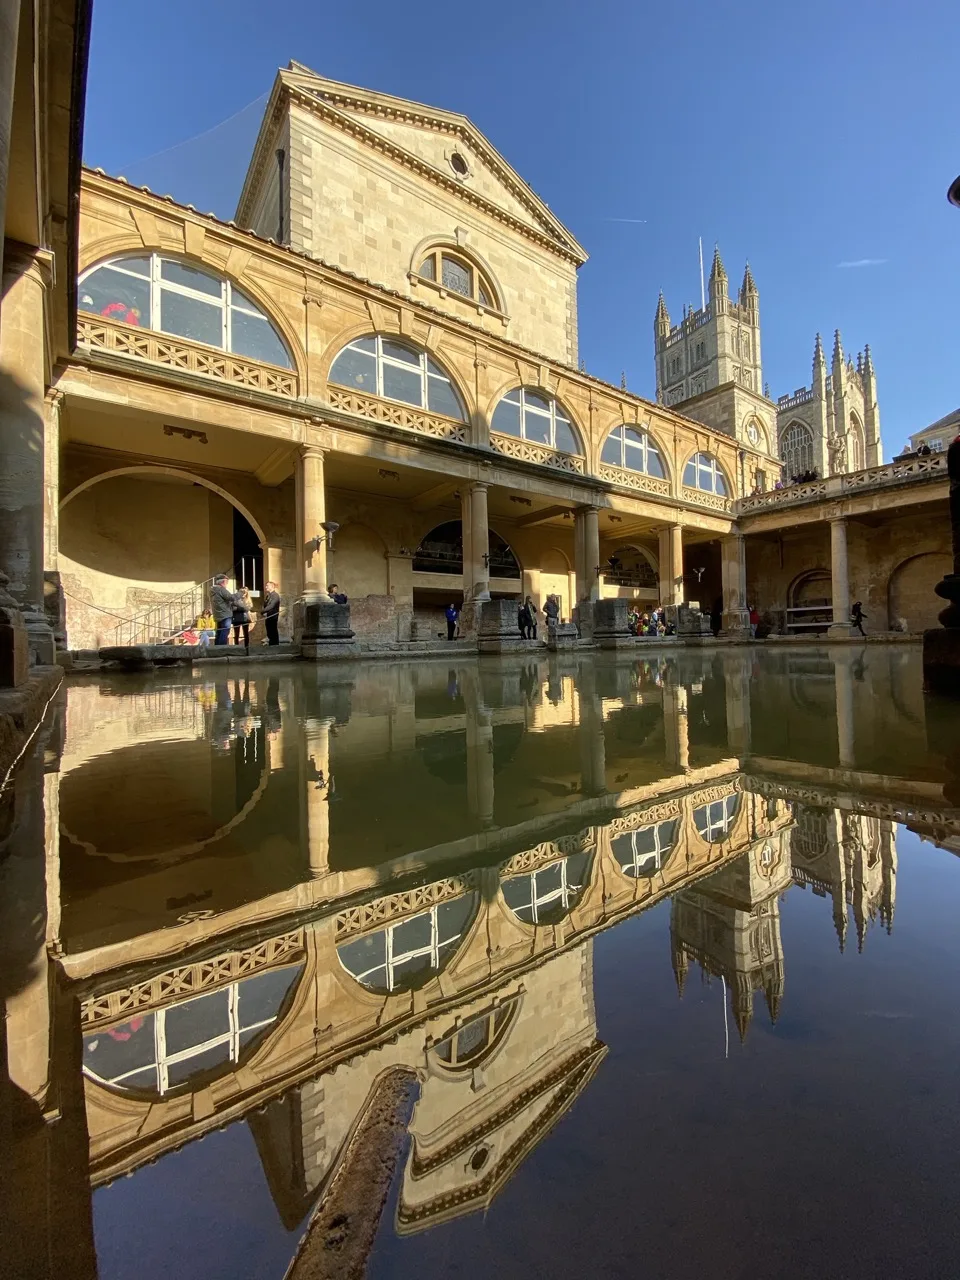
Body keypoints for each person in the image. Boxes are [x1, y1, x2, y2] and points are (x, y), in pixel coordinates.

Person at [210, 575, 236, 646]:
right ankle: (221, 649)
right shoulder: (221, 589)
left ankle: (216, 648)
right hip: (225, 615)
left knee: (219, 632)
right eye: (227, 582)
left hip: (218, 614)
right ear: (223, 582)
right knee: (224, 632)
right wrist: (240, 593)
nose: (227, 584)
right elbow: (231, 597)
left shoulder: (213, 590)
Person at [232, 587, 252, 652]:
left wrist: (239, 607)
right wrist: (241, 608)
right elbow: (233, 608)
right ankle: (236, 648)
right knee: (236, 634)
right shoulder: (235, 599)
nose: (243, 594)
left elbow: (247, 608)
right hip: (237, 618)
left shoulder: (248, 600)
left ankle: (247, 648)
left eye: (244, 592)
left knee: (246, 634)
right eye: (242, 592)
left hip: (245, 618)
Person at [261, 581, 281, 646]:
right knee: (269, 630)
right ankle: (271, 643)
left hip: (273, 615)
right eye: (266, 585)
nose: (266, 587)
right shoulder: (268, 596)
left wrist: (263, 611)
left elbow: (272, 605)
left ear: (272, 586)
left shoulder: (275, 595)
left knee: (273, 630)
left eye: (267, 585)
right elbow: (265, 605)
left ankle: (275, 644)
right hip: (268, 616)